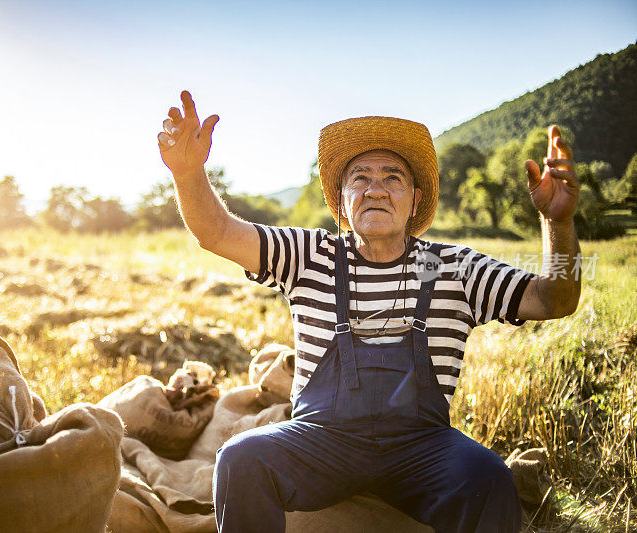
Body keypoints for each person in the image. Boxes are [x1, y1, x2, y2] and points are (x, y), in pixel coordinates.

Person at [157, 90, 580, 533]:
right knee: (242, 459)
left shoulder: (453, 266)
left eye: (393, 177)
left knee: (490, 478)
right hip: (320, 443)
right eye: (360, 177)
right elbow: (217, 232)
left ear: (415, 201)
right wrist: (188, 174)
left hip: (424, 449)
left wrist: (558, 222)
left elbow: (554, 299)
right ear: (341, 202)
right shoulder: (309, 255)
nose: (376, 189)